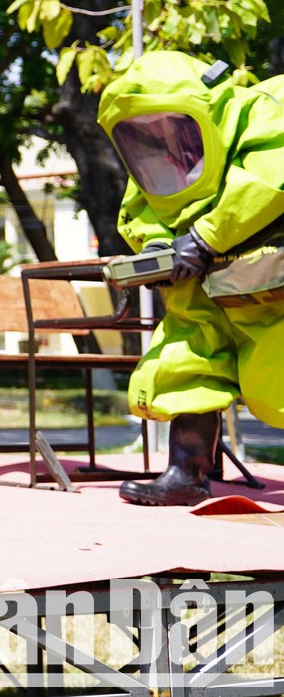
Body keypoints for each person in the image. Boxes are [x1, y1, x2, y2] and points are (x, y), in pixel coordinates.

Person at [98, 50, 284, 506]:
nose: (162, 139)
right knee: (185, 369)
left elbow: (268, 181)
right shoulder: (155, 158)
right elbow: (143, 208)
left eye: (171, 125)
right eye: (145, 133)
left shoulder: (263, 113)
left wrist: (204, 237)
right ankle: (186, 473)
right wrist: (158, 252)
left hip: (271, 288)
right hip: (202, 290)